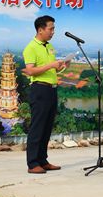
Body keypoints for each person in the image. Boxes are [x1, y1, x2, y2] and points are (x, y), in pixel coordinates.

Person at [23, 15, 71, 175]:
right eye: (50, 29)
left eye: (53, 29)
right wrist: (51, 64)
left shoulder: (49, 47)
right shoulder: (30, 48)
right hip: (39, 90)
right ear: (40, 29)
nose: (53, 32)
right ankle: (33, 163)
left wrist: (63, 66)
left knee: (47, 127)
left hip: (51, 89)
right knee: (37, 127)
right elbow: (30, 70)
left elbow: (53, 70)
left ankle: (43, 160)